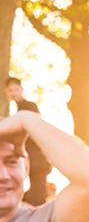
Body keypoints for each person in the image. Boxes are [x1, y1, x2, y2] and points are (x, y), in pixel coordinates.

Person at [5, 78, 51, 207]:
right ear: (6, 92)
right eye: (10, 90)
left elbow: (36, 129)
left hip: (38, 160)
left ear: (22, 90)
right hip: (27, 160)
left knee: (38, 198)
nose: (14, 92)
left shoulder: (29, 106)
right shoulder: (17, 111)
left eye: (16, 89)